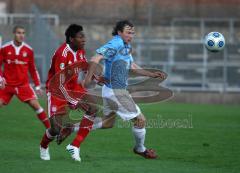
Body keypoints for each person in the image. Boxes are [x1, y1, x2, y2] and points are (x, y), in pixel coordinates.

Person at [84, 20, 166, 159]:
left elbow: (132, 65)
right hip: (116, 92)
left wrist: (151, 74)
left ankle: (71, 128)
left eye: (133, 33)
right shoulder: (115, 44)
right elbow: (95, 58)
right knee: (140, 120)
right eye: (128, 32)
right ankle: (140, 149)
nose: (131, 35)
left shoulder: (126, 46)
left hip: (113, 90)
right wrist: (88, 79)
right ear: (119, 32)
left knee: (108, 123)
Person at [39, 24, 103, 162]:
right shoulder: (62, 54)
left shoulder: (80, 51)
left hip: (73, 87)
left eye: (84, 36)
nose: (84, 39)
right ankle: (43, 145)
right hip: (57, 90)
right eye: (81, 37)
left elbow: (85, 66)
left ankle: (75, 146)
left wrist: (97, 77)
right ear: (71, 38)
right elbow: (58, 83)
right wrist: (74, 101)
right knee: (55, 129)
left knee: (93, 108)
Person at [0, 25, 50, 129]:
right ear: (14, 34)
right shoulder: (5, 48)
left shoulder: (28, 50)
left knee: (36, 106)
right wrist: (1, 78)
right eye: (19, 33)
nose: (21, 35)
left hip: (23, 85)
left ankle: (51, 130)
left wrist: (37, 86)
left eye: (23, 33)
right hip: (7, 85)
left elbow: (33, 69)